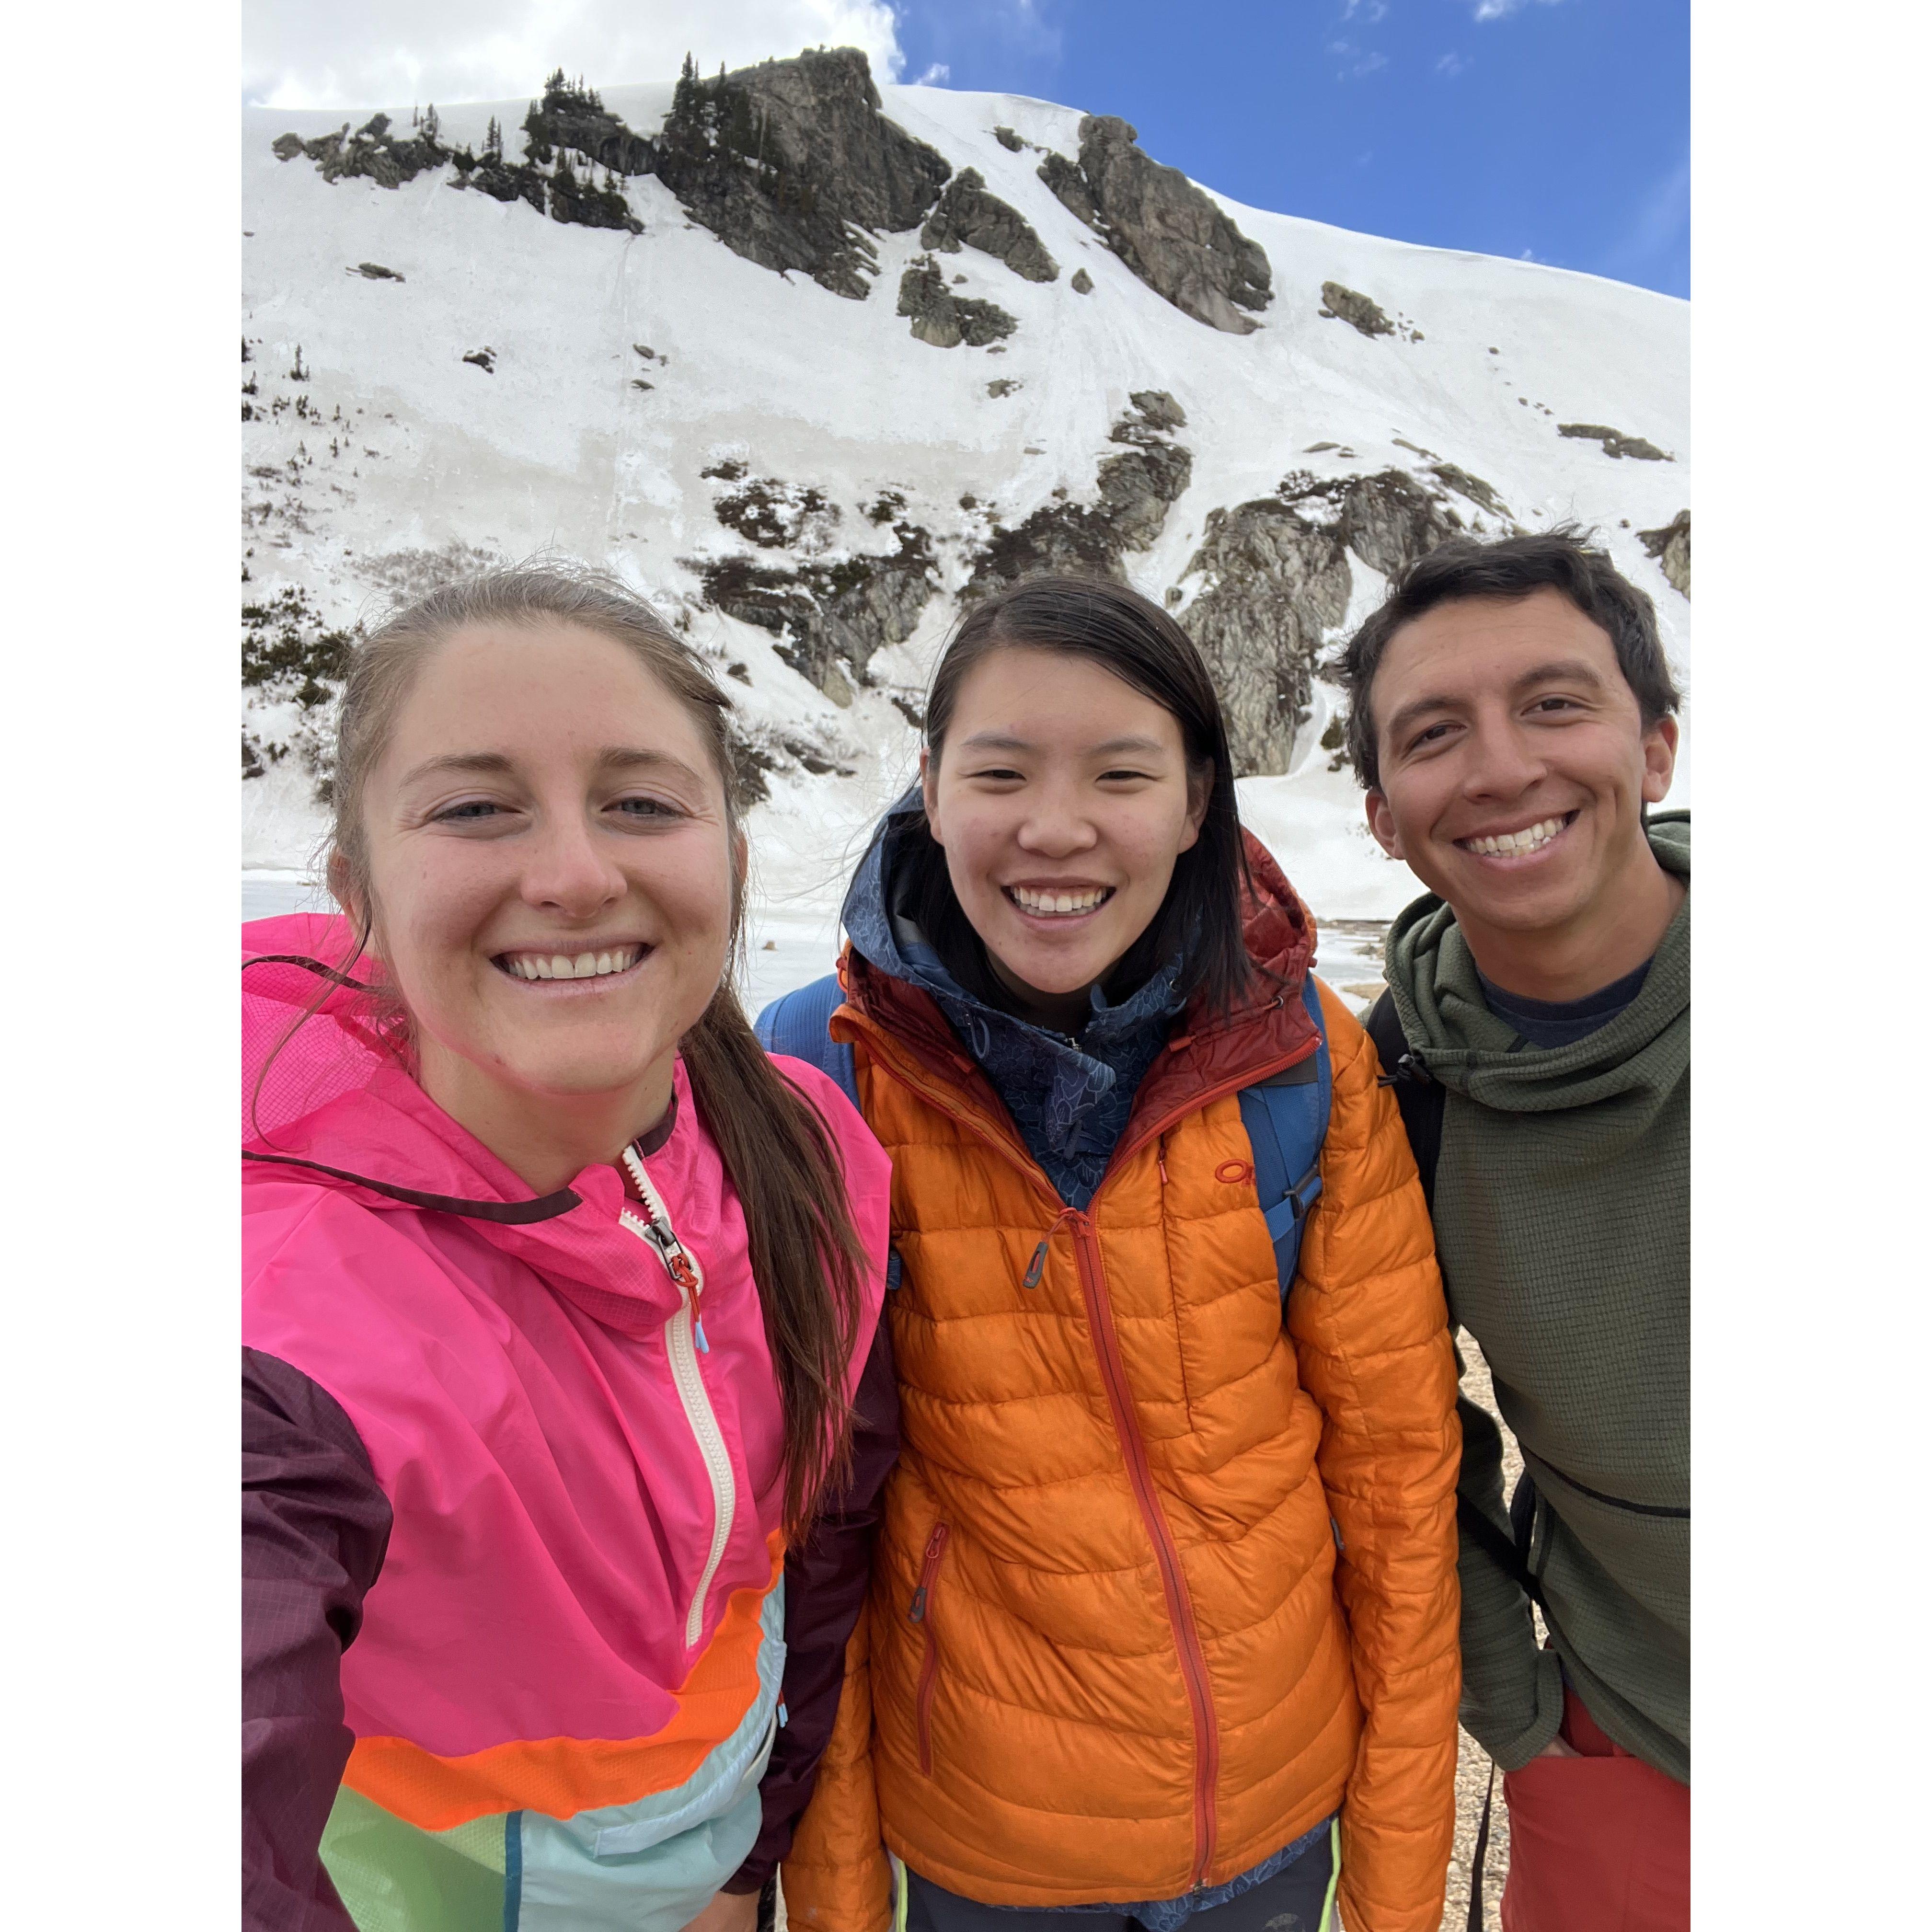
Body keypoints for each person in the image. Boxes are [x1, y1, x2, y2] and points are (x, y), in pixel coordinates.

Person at [759, 577, 1462, 1932]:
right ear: (928, 786)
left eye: (1122, 774)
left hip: (1277, 1823)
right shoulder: (816, 1074)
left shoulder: (1303, 1058)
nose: (1057, 829)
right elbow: (811, 1546)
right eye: (1002, 772)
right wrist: (837, 1903)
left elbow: (1395, 1488)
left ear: (1199, 802)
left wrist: (1392, 1897)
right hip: (986, 1851)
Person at [242, 567, 897, 1932]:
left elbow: (815, 1537)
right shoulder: (279, 1305)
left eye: (642, 803)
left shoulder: (810, 1146)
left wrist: (747, 1857)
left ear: (729, 854)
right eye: (477, 809)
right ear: (357, 891)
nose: (576, 873)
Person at [1338, 529, 1689, 1932]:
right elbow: (1406, 1452)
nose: (1498, 769)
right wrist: (1530, 1732)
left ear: (1655, 747)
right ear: (1382, 815)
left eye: (1554, 704)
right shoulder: (1389, 1094)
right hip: (1633, 1756)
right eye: (1435, 734)